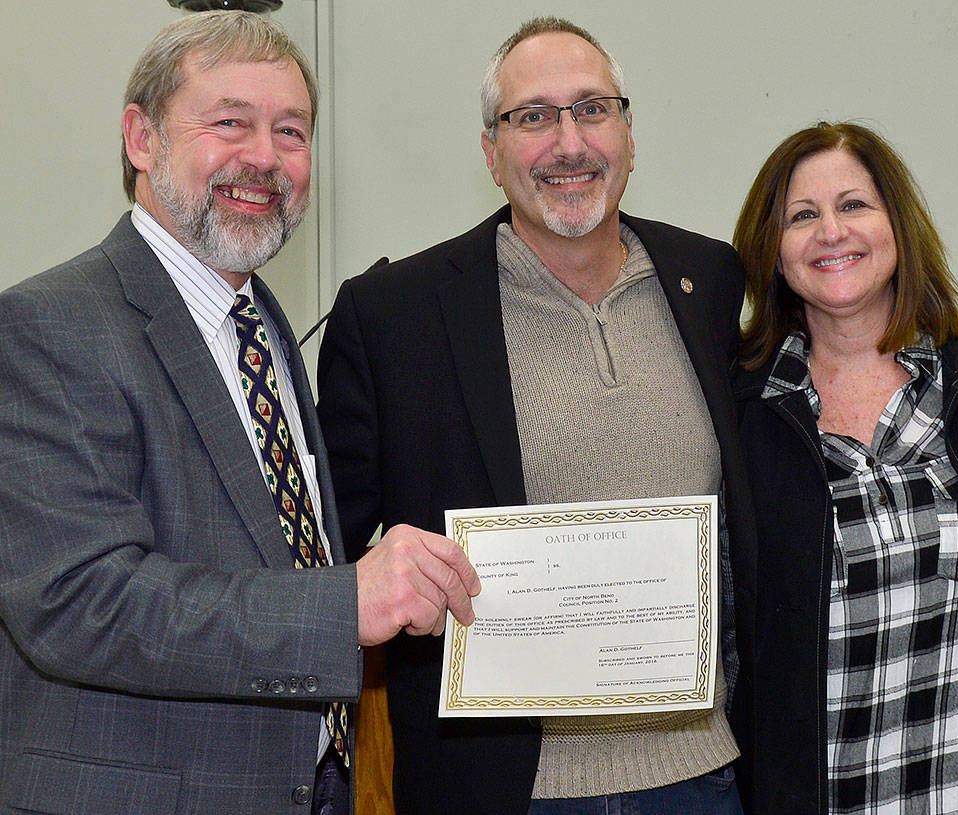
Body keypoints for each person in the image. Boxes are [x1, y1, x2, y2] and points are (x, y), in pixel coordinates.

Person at [0, 12, 479, 815]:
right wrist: (345, 602)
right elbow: (78, 601)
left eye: (291, 131)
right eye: (230, 123)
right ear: (141, 138)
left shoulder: (263, 326)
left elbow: (266, 550)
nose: (264, 157)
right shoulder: (49, 324)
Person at [316, 15, 754, 815]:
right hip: (497, 790)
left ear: (629, 135)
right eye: (533, 117)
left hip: (701, 778)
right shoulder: (393, 317)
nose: (568, 142)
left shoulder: (711, 280)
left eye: (593, 109)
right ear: (491, 152)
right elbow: (318, 556)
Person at [731, 122, 958, 814]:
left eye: (854, 205)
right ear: (773, 250)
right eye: (801, 216)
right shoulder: (737, 408)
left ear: (898, 224)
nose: (831, 232)